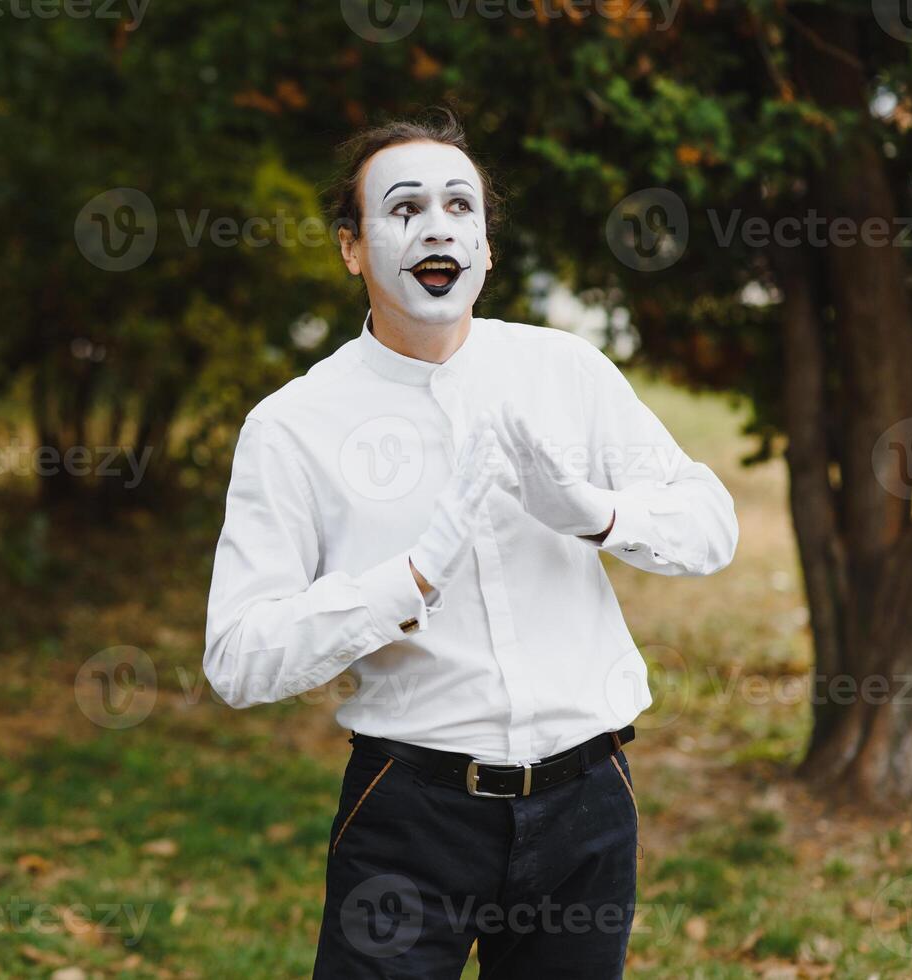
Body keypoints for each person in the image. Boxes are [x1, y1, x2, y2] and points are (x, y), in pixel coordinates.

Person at [202, 112, 738, 978]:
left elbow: (712, 525)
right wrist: (407, 579)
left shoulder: (567, 373)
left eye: (462, 205)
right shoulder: (291, 427)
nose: (438, 224)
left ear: (486, 249)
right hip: (410, 817)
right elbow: (238, 659)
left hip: (587, 808)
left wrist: (593, 513)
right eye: (403, 207)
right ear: (352, 247)